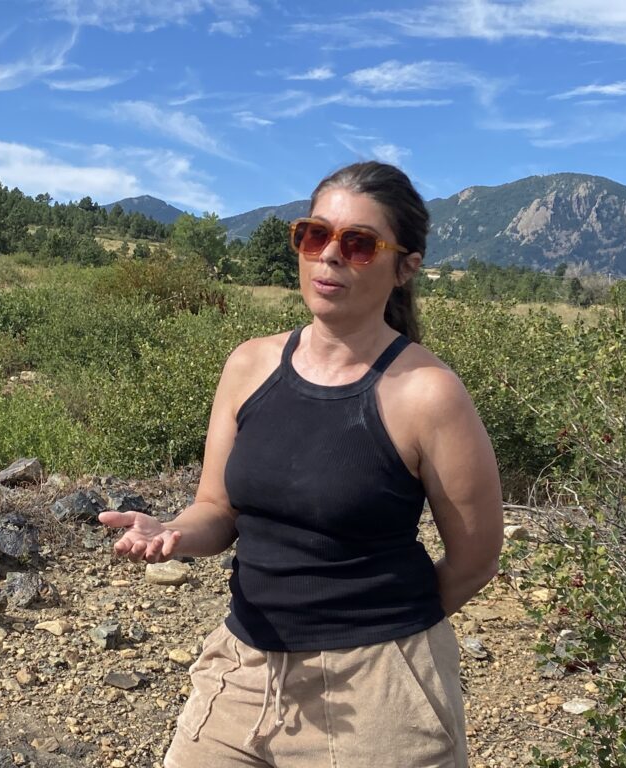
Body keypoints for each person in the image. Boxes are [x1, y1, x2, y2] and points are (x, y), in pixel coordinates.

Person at [99, 161, 503, 768]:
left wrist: (384, 633)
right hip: (245, 667)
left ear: (406, 267)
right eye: (316, 235)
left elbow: (476, 560)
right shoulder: (249, 365)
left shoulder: (427, 393)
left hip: (380, 694)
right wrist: (176, 533)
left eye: (360, 244)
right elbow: (218, 509)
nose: (330, 256)